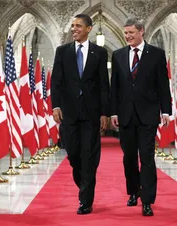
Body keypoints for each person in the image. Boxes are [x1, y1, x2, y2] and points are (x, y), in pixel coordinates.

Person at [110, 17, 171, 216]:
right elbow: (115, 88)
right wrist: (113, 112)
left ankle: (147, 200)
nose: (127, 36)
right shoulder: (118, 55)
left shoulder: (157, 54)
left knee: (147, 157)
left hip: (148, 115)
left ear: (141, 31)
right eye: (125, 33)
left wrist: (166, 111)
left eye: (131, 33)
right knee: (129, 158)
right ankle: (133, 191)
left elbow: (163, 85)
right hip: (126, 115)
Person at [51, 14, 110, 215]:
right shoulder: (62, 51)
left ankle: (86, 200)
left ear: (89, 29)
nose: (74, 29)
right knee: (74, 154)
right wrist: (55, 106)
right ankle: (84, 185)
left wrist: (104, 112)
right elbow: (56, 81)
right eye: (73, 26)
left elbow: (104, 84)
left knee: (89, 156)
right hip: (69, 113)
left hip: (91, 114)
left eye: (78, 26)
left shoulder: (100, 53)